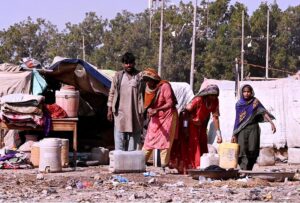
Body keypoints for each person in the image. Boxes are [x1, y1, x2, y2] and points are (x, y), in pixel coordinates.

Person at [170, 84, 222, 174]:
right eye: (211, 95)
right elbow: (185, 112)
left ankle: (201, 166)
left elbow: (215, 117)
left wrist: (219, 134)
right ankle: (193, 168)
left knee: (202, 142)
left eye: (215, 95)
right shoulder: (198, 100)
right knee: (192, 144)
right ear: (207, 94)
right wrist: (185, 128)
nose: (213, 97)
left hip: (200, 124)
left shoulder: (215, 102)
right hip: (188, 122)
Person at [231, 84, 276, 170]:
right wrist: (234, 134)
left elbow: (263, 112)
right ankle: (243, 170)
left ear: (251, 92)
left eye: (248, 91)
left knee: (253, 149)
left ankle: (249, 169)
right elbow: (237, 120)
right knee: (242, 150)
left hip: (253, 128)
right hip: (242, 130)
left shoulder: (255, 102)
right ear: (242, 93)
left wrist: (272, 123)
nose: (246, 93)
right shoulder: (239, 104)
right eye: (244, 92)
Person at [142, 68, 178, 169]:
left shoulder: (164, 86)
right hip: (156, 116)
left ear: (154, 80)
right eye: (146, 80)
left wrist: (157, 109)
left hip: (167, 116)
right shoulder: (147, 88)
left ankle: (164, 165)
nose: (148, 82)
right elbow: (148, 103)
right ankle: (141, 162)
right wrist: (149, 110)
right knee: (149, 140)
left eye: (149, 80)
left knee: (165, 141)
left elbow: (170, 103)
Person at [107, 52, 144, 151]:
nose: (128, 65)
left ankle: (131, 162)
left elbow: (143, 95)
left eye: (130, 63)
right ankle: (120, 162)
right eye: (126, 63)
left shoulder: (139, 76)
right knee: (119, 137)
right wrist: (109, 109)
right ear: (123, 64)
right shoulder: (118, 76)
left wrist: (143, 111)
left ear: (134, 63)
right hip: (120, 113)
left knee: (134, 138)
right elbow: (112, 93)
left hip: (135, 113)